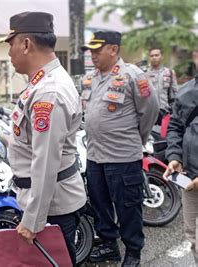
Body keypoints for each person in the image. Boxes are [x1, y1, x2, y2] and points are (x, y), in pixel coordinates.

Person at [0, 12, 87, 265]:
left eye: (10, 44)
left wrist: (33, 220)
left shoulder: (49, 91)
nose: (9, 53)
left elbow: (45, 161)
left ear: (26, 44)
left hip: (51, 207)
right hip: (46, 200)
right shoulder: (40, 83)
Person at [81, 31, 159, 266]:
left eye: (97, 50)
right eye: (91, 51)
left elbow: (150, 111)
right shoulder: (91, 78)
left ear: (113, 49)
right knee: (100, 204)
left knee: (128, 208)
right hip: (95, 155)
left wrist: (136, 139)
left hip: (123, 157)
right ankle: (109, 245)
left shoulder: (133, 75)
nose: (92, 55)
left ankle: (133, 253)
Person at [163, 53, 198, 264]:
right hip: (191, 183)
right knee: (192, 236)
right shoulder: (185, 92)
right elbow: (176, 127)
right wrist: (175, 157)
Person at [146, 47, 178, 124]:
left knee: (163, 134)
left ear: (162, 56)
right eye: (152, 56)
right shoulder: (143, 73)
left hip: (165, 112)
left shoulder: (169, 73)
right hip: (148, 113)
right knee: (148, 134)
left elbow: (176, 93)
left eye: (156, 55)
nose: (154, 58)